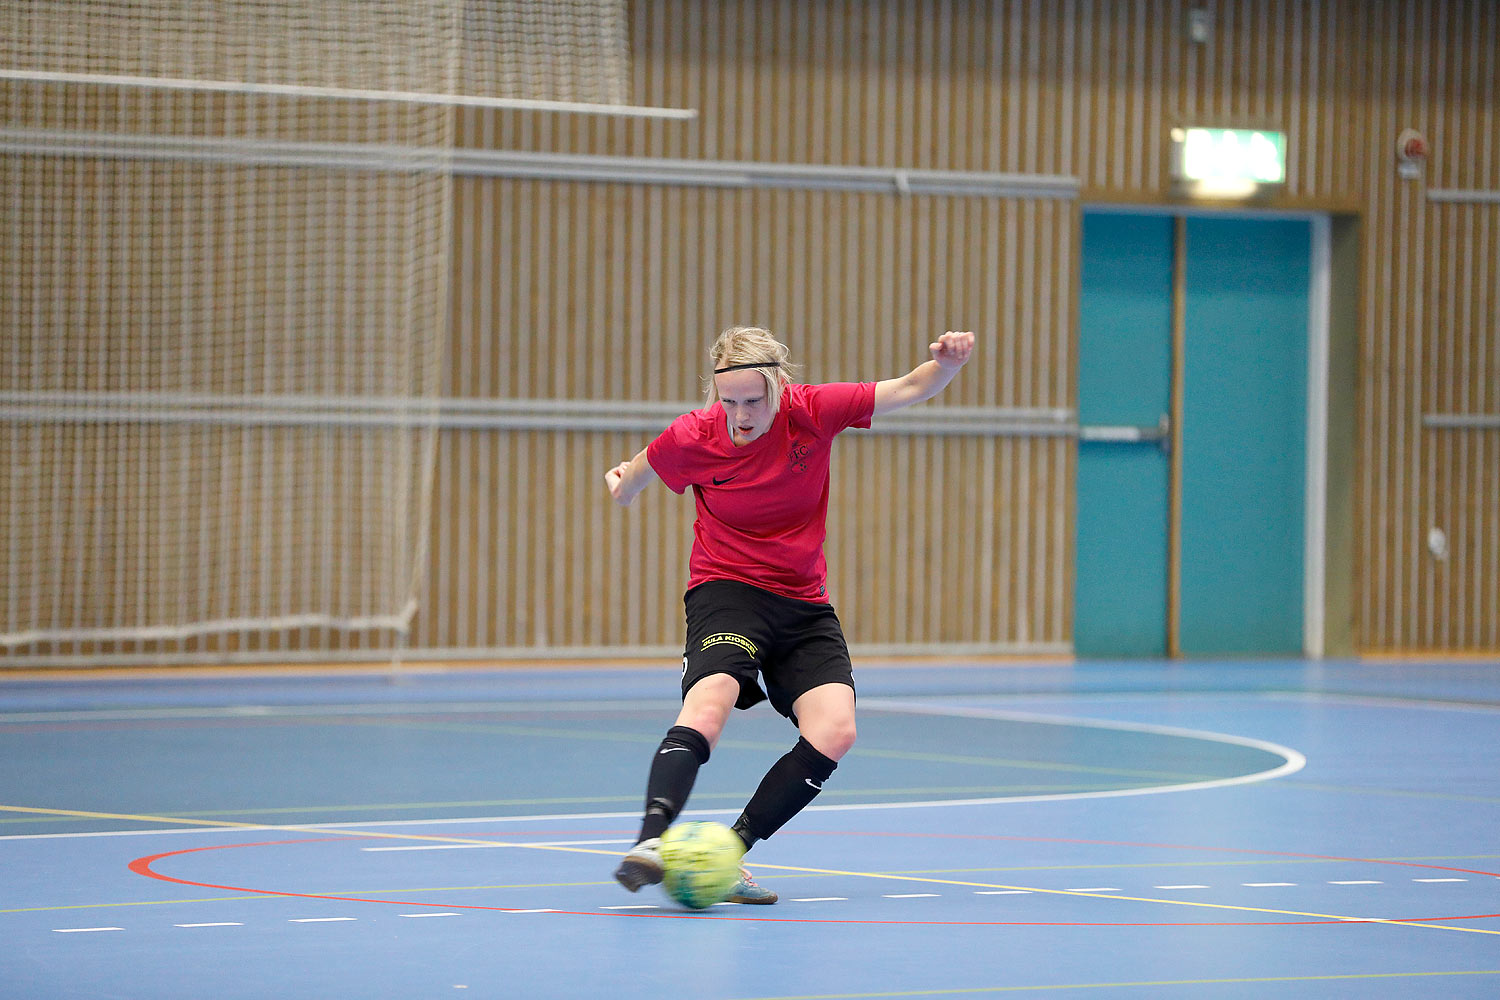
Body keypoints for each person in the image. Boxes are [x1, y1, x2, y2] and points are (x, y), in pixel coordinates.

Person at [603, 324, 975, 903]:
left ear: (779, 386)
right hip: (727, 588)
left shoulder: (813, 411)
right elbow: (633, 479)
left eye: (754, 400)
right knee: (712, 698)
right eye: (729, 401)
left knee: (836, 728)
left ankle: (727, 854)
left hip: (803, 601)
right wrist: (621, 483)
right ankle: (650, 841)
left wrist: (949, 363)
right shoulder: (693, 436)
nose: (742, 415)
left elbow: (911, 387)